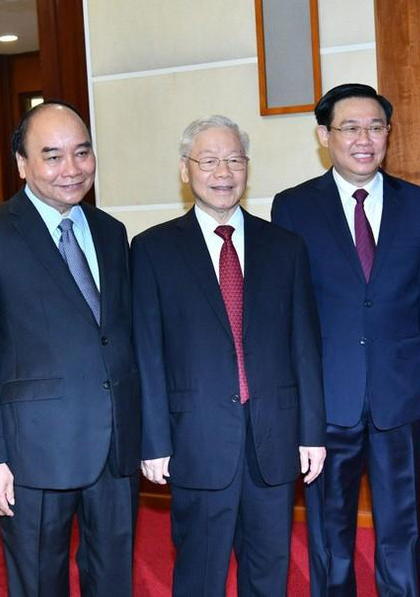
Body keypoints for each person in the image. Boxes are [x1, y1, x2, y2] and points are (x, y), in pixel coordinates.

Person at [0, 101, 141, 595]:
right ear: (22, 164)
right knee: (38, 581)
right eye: (52, 156)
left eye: (82, 152)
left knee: (113, 577)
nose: (72, 169)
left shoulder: (111, 232)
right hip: (31, 453)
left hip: (115, 449)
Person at [272, 83, 420, 597]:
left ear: (388, 135)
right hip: (329, 397)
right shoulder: (293, 208)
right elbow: (288, 312)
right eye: (350, 127)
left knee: (401, 523)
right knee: (329, 529)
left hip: (399, 395)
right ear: (323, 136)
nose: (364, 139)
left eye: (376, 127)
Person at [132, 115, 326, 596]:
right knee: (199, 571)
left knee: (268, 569)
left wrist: (311, 432)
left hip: (274, 436)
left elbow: (305, 345)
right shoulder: (153, 249)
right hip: (194, 435)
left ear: (247, 168)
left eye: (234, 160)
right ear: (185, 170)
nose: (224, 172)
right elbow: (148, 352)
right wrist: (154, 439)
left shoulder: (285, 247)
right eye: (210, 160)